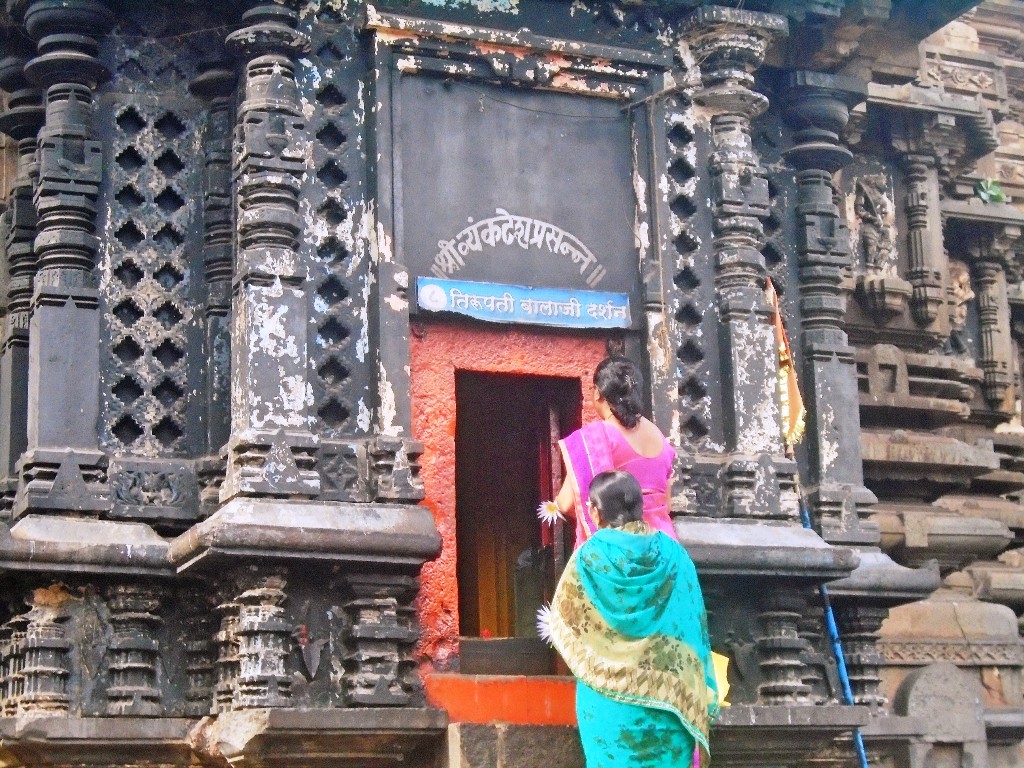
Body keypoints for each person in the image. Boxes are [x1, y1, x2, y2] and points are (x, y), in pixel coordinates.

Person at [545, 471, 718, 768]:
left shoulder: (590, 557)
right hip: (670, 704)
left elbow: (564, 622)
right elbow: (694, 626)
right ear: (641, 506)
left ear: (596, 512)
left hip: (608, 704)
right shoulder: (674, 554)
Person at [555, 356, 674, 546]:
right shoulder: (660, 436)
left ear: (597, 393)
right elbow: (667, 503)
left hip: (620, 550)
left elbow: (567, 503)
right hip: (662, 547)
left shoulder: (596, 438)